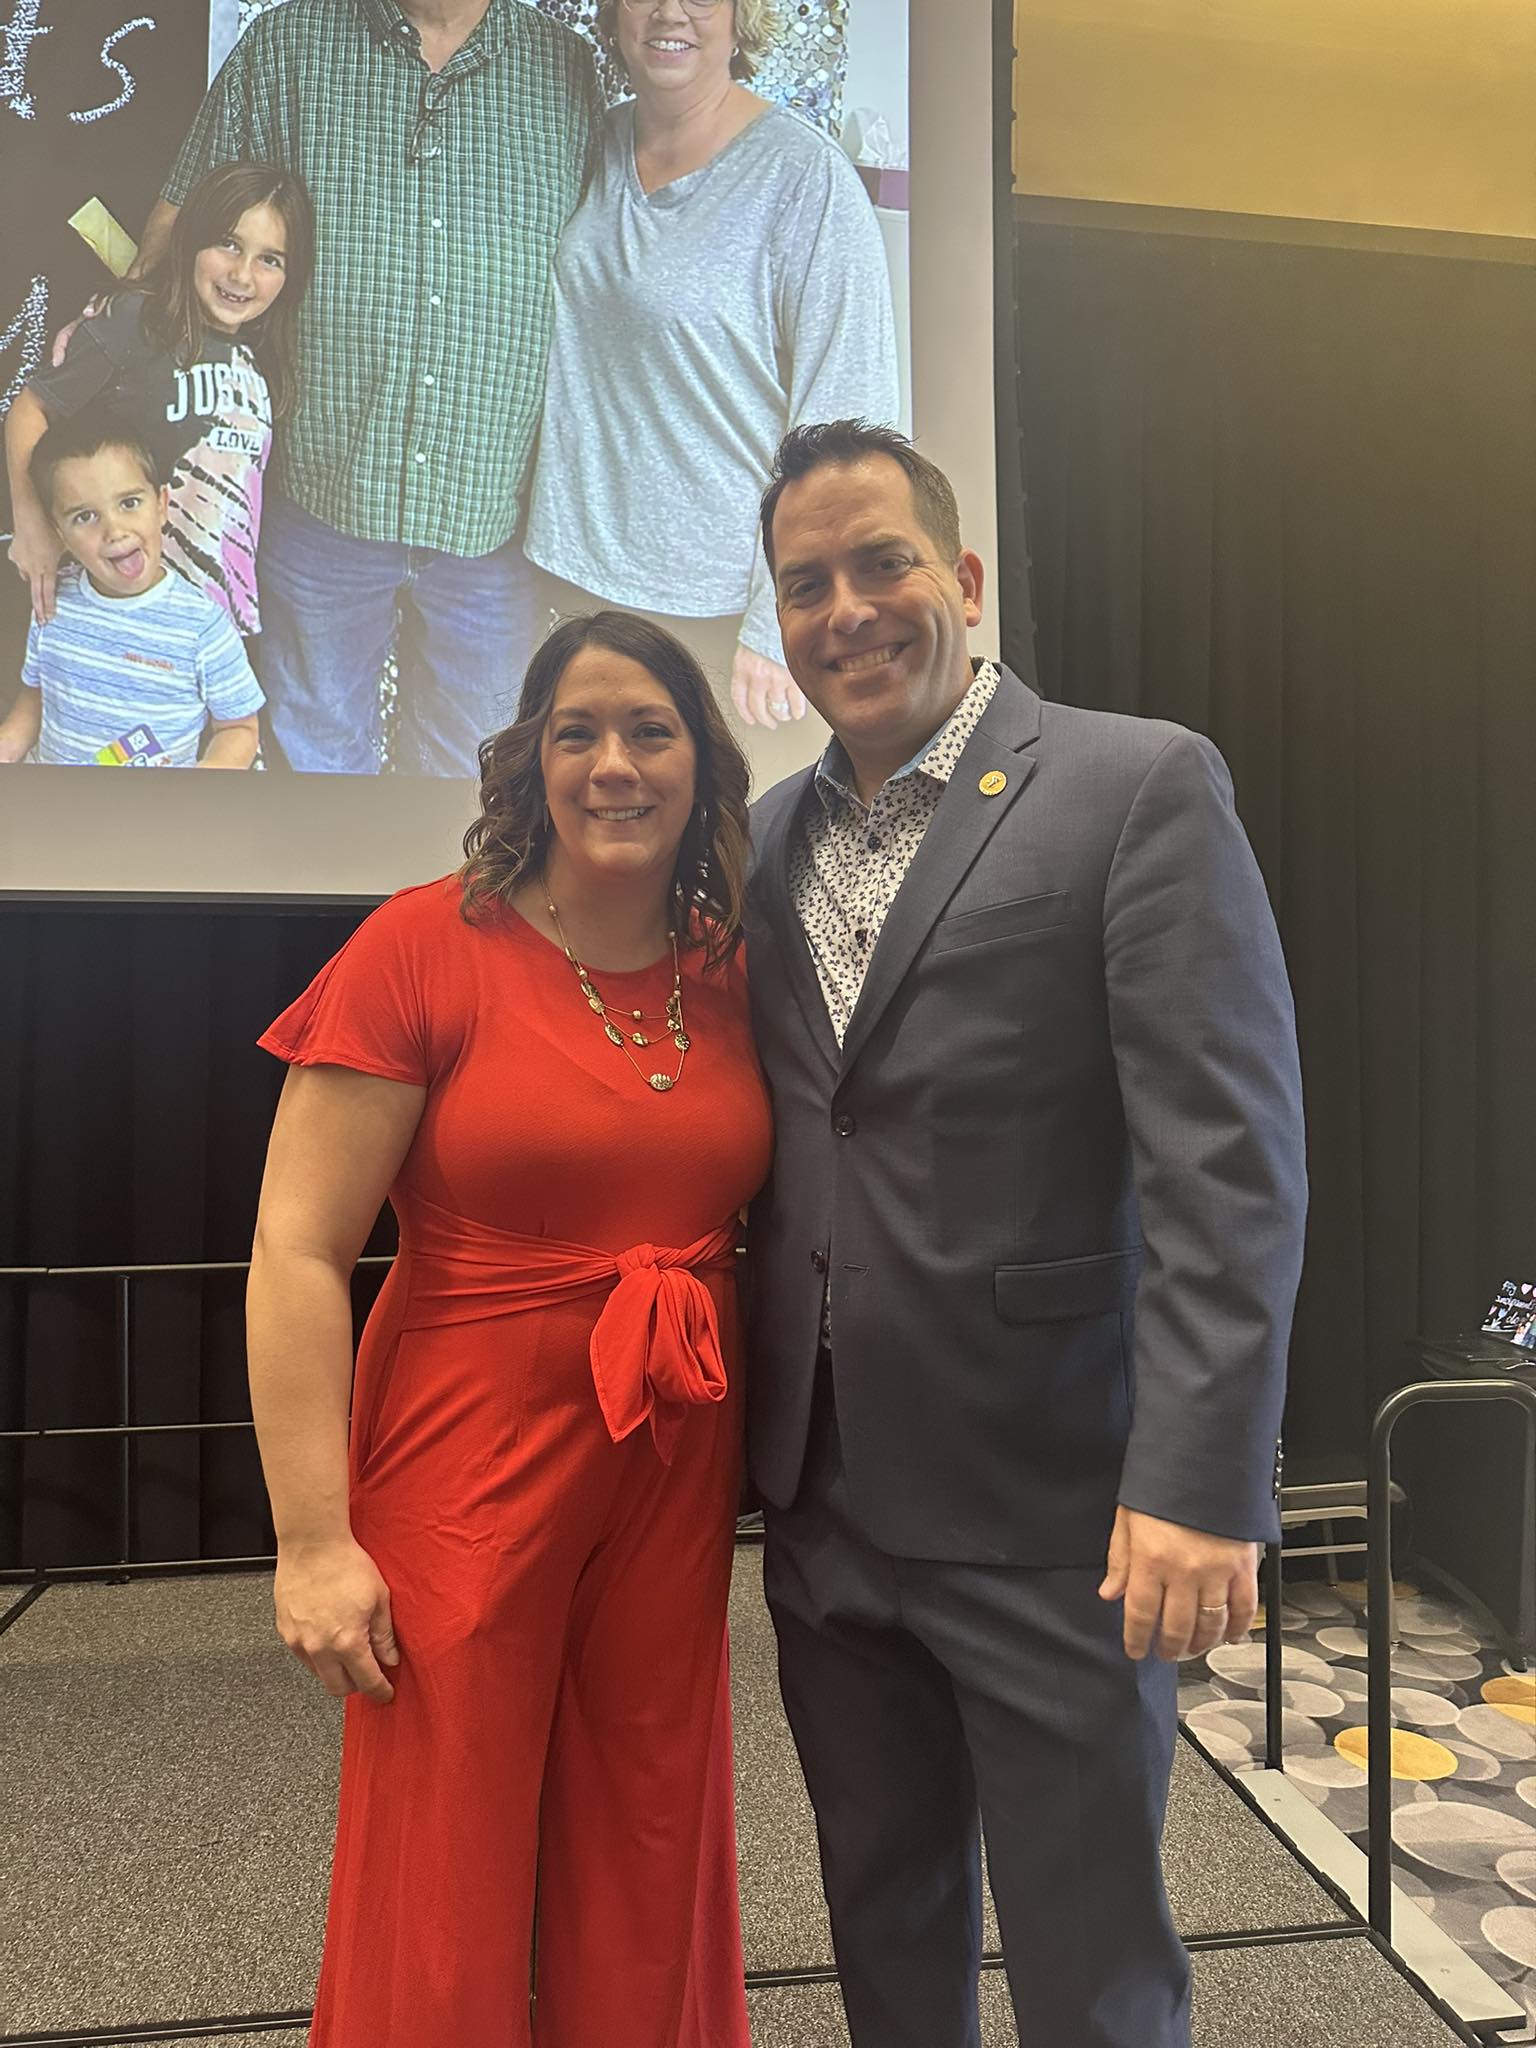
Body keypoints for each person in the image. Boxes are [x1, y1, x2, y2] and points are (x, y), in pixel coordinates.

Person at [743, 421, 1308, 2047]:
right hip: (825, 1502)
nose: (847, 609)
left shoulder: (1136, 785)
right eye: (806, 584)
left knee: (1089, 1959)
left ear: (966, 578)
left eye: (882, 563)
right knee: (883, 1921)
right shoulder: (765, 838)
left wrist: (1201, 1478)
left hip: (1056, 1501)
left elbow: (1229, 1165)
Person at [245, 611, 769, 2045]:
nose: (614, 764)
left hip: (669, 1464)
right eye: (576, 732)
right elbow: (297, 1250)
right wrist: (312, 1540)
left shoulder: (732, 967)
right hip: (465, 1463)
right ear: (530, 760)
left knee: (651, 1828)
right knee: (447, 1853)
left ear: (702, 762)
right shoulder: (422, 946)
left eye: (650, 730)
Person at [147, 0, 597, 775]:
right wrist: (115, 336)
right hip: (323, 494)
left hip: (490, 514)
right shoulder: (289, 43)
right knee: (316, 763)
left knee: (477, 782)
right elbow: (183, 218)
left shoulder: (567, 67)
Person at [525, 0, 899, 790]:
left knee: (714, 849)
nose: (670, 13)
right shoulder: (590, 142)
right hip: (563, 575)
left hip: (715, 611)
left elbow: (851, 421)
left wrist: (779, 617)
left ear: (741, 17)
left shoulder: (803, 178)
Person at [8, 161, 313, 639]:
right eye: (228, 244)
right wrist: (31, 523)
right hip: (116, 608)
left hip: (211, 623)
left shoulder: (264, 353)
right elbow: (31, 409)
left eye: (270, 259)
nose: (242, 275)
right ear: (191, 239)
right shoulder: (134, 321)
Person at [0, 411, 262, 768]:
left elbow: (239, 728)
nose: (115, 530)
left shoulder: (202, 627)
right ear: (59, 534)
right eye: (85, 516)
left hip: (151, 804)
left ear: (161, 505)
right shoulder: (52, 604)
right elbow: (36, 699)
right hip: (56, 799)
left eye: (129, 503)